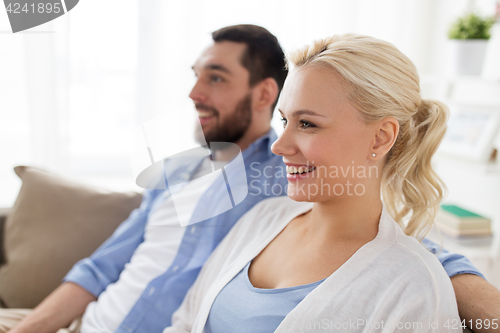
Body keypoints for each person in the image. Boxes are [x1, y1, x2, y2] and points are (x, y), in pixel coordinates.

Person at [1, 25, 498, 333]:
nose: (194, 91)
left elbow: (393, 248)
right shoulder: (183, 173)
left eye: (215, 77)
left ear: (263, 93)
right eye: (196, 75)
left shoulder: (278, 179)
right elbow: (101, 265)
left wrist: (483, 312)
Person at [161, 34, 467, 333]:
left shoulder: (413, 286)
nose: (279, 146)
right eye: (284, 121)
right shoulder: (263, 219)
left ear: (381, 137)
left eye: (307, 124)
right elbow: (185, 323)